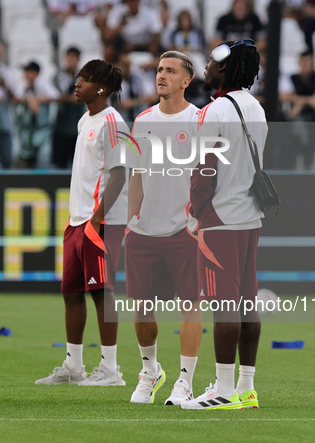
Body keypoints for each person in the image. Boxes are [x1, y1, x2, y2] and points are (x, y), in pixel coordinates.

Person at [181, 39, 266, 411]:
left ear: (227, 70)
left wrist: (195, 213)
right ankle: (246, 387)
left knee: (223, 306)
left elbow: (203, 172)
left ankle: (223, 389)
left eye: (214, 62)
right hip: (250, 215)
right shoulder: (256, 108)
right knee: (246, 302)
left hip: (220, 216)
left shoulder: (215, 110)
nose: (207, 67)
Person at [35, 59, 128, 386]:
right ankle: (74, 367)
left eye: (85, 79)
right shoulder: (85, 120)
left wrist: (97, 220)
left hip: (101, 222)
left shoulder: (113, 122)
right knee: (71, 292)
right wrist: (79, 220)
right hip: (78, 221)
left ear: (101, 88)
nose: (77, 83)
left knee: (102, 291)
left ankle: (111, 369)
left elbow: (119, 174)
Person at [126, 51, 202, 405]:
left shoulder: (200, 120)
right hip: (144, 232)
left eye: (170, 71)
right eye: (159, 70)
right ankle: (150, 371)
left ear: (186, 81)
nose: (161, 75)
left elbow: (210, 178)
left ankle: (185, 381)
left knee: (191, 306)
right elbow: (136, 175)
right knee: (141, 307)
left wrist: (201, 225)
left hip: (184, 231)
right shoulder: (142, 121)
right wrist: (130, 222)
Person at [280, 51, 315, 170]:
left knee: (311, 147)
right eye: (303, 61)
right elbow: (286, 96)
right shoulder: (293, 77)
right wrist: (308, 100)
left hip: (313, 119)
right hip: (297, 119)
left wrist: (299, 101)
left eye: (308, 62)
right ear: (299, 62)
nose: (306, 64)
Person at [15, 61, 60, 168]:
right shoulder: (24, 85)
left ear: (35, 73)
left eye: (28, 71)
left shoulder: (42, 83)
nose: (25, 74)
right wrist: (29, 100)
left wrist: (37, 100)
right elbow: (16, 98)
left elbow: (56, 96)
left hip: (41, 128)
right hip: (26, 129)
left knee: (41, 160)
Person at [52, 47, 87, 169]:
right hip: (61, 123)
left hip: (78, 124)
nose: (71, 61)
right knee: (59, 163)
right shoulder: (59, 76)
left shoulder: (84, 77)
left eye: (74, 57)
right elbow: (55, 94)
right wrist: (69, 98)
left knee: (77, 164)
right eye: (69, 57)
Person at [113, 53, 157, 122]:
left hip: (138, 113)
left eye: (128, 66)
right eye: (124, 66)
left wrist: (133, 102)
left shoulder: (136, 74)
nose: (127, 69)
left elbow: (153, 97)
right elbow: (119, 104)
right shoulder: (113, 79)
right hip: (122, 117)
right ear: (116, 65)